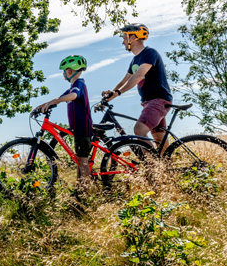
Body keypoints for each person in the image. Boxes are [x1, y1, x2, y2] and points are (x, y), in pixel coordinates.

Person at [102, 23, 173, 150]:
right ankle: (167, 166)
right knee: (159, 137)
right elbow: (123, 82)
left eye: (124, 38)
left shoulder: (149, 53)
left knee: (139, 130)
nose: (123, 42)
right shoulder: (135, 60)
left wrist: (117, 93)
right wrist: (109, 96)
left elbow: (139, 76)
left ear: (133, 37)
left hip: (158, 100)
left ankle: (153, 168)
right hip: (149, 102)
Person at [36, 55, 93, 191]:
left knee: (83, 160)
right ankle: (80, 189)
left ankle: (86, 191)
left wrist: (54, 102)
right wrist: (42, 106)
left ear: (69, 71)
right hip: (77, 128)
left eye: (63, 72)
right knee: (79, 159)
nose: (63, 75)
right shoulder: (73, 86)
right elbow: (59, 98)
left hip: (83, 128)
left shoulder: (79, 84)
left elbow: (73, 96)